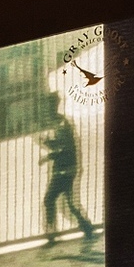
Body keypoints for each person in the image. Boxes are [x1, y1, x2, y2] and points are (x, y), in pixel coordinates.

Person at [40, 94, 96, 246]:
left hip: (63, 170)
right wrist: (47, 142)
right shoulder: (60, 122)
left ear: (51, 107)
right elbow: (62, 145)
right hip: (67, 169)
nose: (45, 109)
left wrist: (48, 156)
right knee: (69, 203)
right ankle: (86, 227)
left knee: (49, 199)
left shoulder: (61, 124)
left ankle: (51, 233)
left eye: (47, 106)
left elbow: (64, 148)